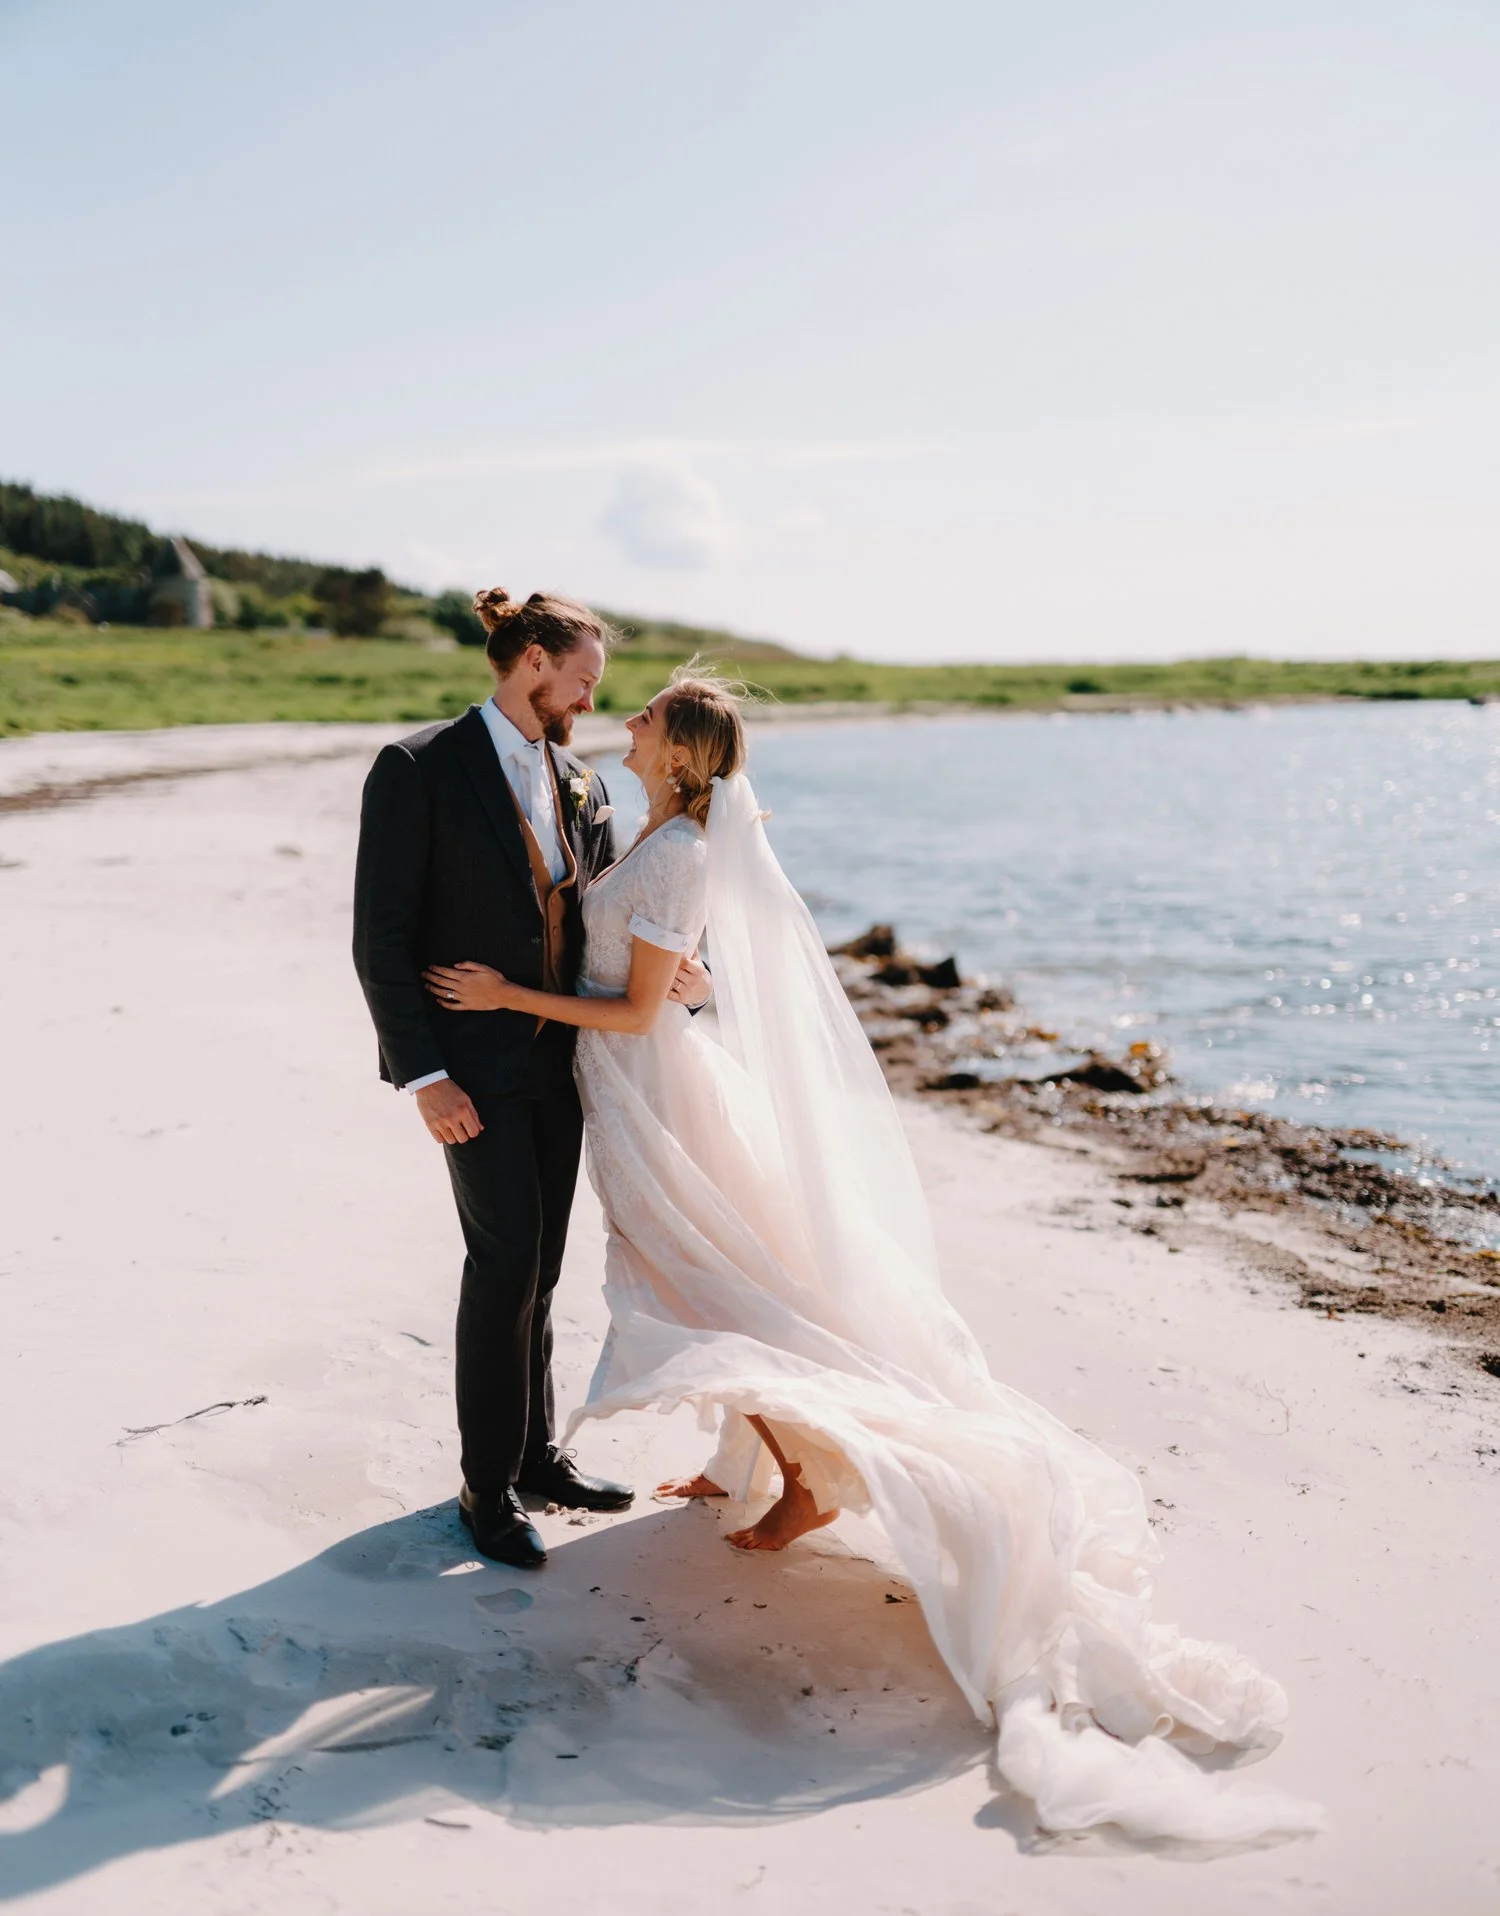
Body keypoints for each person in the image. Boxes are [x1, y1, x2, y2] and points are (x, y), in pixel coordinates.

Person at [423, 664, 1322, 1842]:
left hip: (651, 1088)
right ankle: (750, 1454)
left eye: (645, 716)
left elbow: (639, 1010)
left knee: (712, 1279)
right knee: (708, 1271)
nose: (625, 721)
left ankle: (802, 1478)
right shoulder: (651, 828)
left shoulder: (684, 847)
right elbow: (655, 970)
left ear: (682, 753)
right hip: (637, 1091)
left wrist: (505, 999)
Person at [352, 588, 711, 1570]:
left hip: (569, 1064)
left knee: (544, 1269)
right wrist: (423, 1072)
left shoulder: (582, 783)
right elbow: (380, 937)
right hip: (468, 1071)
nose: (592, 701)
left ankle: (539, 1456)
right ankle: (484, 1487)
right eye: (584, 681)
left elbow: (608, 919)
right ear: (534, 663)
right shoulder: (417, 769)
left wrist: (688, 972)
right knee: (503, 1263)